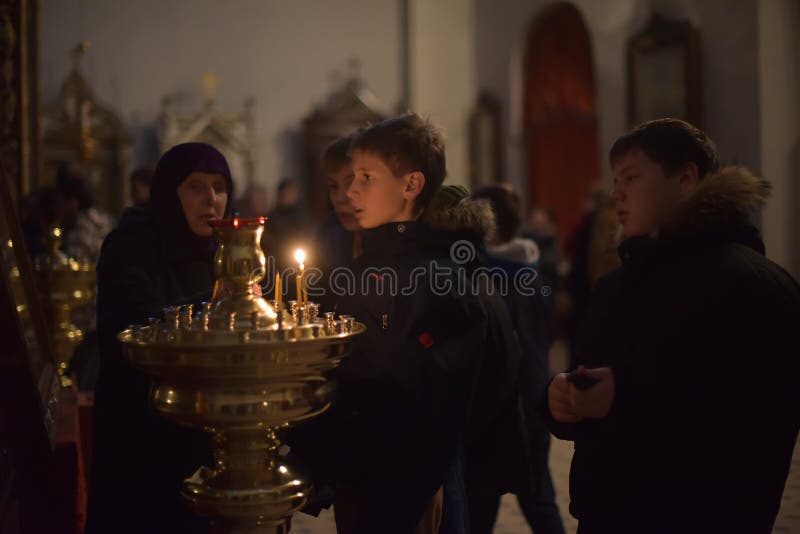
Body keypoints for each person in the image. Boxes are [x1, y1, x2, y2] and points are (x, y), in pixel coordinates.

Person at [541, 118, 800, 533]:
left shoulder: (751, 286)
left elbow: (757, 426)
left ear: (685, 178)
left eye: (631, 177)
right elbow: (602, 380)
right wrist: (561, 401)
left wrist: (622, 402)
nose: (616, 194)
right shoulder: (617, 284)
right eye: (615, 180)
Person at [318, 114, 487, 533]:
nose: (350, 192)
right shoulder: (367, 261)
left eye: (365, 178)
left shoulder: (436, 275)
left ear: (410, 186)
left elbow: (431, 402)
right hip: (361, 468)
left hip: (403, 484)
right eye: (344, 181)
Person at [86, 142, 234, 534]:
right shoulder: (130, 246)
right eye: (196, 187)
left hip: (204, 430)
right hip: (142, 429)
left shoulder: (226, 250)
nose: (212, 200)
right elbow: (137, 327)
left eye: (219, 187)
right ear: (170, 191)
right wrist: (223, 300)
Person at [469, 184, 564, 534]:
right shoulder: (535, 271)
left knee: (478, 508)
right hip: (535, 399)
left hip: (498, 409)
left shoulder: (486, 279)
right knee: (540, 501)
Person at [53, 163, 114, 264]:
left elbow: (76, 261)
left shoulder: (85, 223)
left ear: (73, 202)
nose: (56, 207)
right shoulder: (94, 215)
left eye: (60, 202)